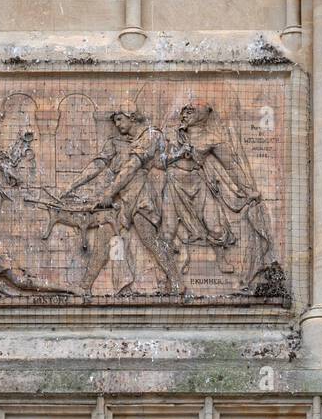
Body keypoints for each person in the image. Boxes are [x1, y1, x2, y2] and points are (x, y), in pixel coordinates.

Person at [60, 105, 185, 296]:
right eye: (115, 121)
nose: (117, 124)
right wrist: (71, 186)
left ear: (132, 117)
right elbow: (97, 165)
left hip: (140, 194)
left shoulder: (151, 136)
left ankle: (177, 282)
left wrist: (109, 193)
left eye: (120, 119)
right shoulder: (115, 142)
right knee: (103, 239)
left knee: (150, 239)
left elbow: (132, 167)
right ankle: (84, 286)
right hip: (119, 199)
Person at [162, 103, 273, 290]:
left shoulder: (211, 138)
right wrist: (178, 153)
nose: (185, 115)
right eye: (184, 112)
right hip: (174, 185)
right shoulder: (173, 135)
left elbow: (231, 167)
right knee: (168, 231)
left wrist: (247, 190)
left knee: (215, 225)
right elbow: (160, 161)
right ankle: (169, 274)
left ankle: (220, 258)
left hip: (199, 182)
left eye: (190, 112)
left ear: (201, 116)